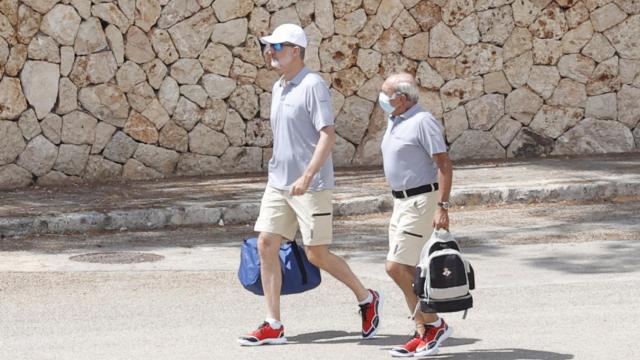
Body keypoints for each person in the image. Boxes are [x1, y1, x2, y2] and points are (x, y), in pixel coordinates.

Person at [238, 23, 382, 346]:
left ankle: (366, 297)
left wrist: (306, 176)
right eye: (269, 47)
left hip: (311, 185)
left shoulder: (313, 85)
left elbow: (327, 134)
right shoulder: (279, 86)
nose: (270, 52)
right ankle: (273, 323)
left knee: (316, 254)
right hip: (279, 183)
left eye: (277, 47)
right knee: (265, 244)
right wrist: (286, 176)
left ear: (296, 51)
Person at [378, 73, 455, 357]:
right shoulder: (395, 119)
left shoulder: (423, 121)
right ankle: (422, 330)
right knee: (409, 269)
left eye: (387, 94)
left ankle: (434, 323)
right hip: (401, 202)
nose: (382, 99)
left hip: (421, 201)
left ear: (403, 97)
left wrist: (442, 207)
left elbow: (444, 165)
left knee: (395, 266)